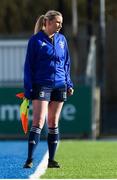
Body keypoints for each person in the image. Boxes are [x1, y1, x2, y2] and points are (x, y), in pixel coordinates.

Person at [23, 10, 74, 169]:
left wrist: (69, 83)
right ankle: (30, 159)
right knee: (38, 122)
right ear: (48, 22)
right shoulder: (35, 40)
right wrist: (28, 88)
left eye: (61, 22)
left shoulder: (62, 40)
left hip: (60, 85)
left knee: (53, 122)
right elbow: (28, 66)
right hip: (41, 84)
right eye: (57, 22)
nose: (60, 25)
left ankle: (51, 160)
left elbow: (66, 63)